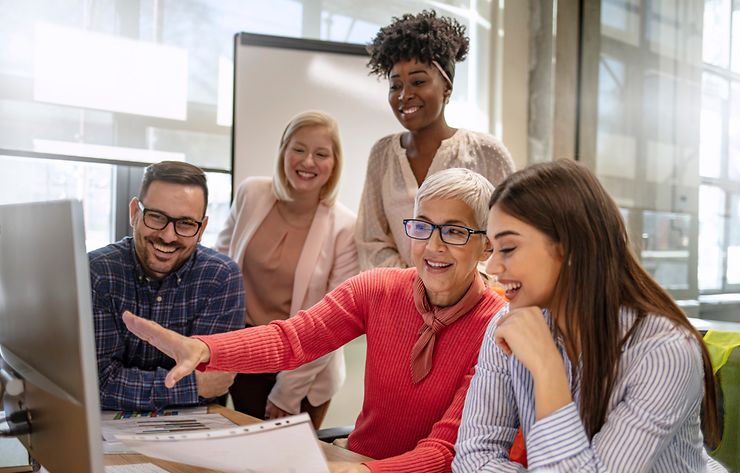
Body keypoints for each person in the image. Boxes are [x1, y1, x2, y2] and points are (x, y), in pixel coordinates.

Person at [122, 168, 507, 473]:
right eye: (422, 226)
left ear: (487, 243)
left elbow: (444, 451)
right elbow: (292, 340)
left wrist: (367, 472)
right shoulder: (379, 288)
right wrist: (205, 348)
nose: (434, 246)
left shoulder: (496, 327)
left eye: (454, 231)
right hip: (357, 463)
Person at [453, 160, 727, 472]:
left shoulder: (664, 351)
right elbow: (474, 458)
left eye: (509, 248)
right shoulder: (509, 327)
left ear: (569, 248)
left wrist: (547, 369)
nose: (492, 268)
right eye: (493, 249)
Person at [215, 111, 358, 428]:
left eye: (321, 154)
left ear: (334, 163)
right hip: (246, 354)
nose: (308, 162)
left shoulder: (346, 227)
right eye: (299, 149)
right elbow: (218, 269)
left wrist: (288, 391)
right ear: (283, 150)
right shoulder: (251, 193)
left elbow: (334, 322)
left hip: (306, 369)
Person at [356, 10, 516, 270]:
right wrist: (415, 284)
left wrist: (456, 286)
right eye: (395, 85)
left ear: (447, 88)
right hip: (401, 299)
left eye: (418, 81)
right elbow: (371, 239)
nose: (404, 95)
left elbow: (508, 235)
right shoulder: (383, 154)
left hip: (474, 301)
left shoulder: (487, 153)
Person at [89, 161, 245, 411]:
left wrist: (131, 385)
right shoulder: (97, 273)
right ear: (134, 213)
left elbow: (215, 383)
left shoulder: (221, 278)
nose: (168, 236)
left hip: (190, 434)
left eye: (185, 223)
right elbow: (97, 383)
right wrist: (192, 386)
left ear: (202, 228)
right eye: (156, 217)